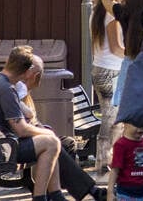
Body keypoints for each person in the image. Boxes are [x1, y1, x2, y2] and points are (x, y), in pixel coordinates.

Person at [0, 45, 78, 201]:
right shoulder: (5, 89)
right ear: (26, 72)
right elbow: (21, 129)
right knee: (51, 142)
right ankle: (41, 197)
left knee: (50, 141)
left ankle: (56, 195)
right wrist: (47, 133)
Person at [15, 55, 107, 201]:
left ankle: (63, 191)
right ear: (34, 75)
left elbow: (31, 121)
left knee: (67, 143)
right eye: (39, 76)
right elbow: (24, 123)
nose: (39, 81)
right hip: (20, 142)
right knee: (56, 145)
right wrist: (44, 131)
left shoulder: (20, 89)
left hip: (29, 137)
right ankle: (88, 190)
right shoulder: (16, 89)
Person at [91, 0, 127, 179]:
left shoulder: (95, 12)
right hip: (112, 69)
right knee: (112, 120)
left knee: (108, 117)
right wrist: (134, 52)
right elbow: (116, 48)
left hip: (99, 68)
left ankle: (102, 163)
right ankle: (105, 165)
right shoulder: (111, 16)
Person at [107, 124, 143, 201]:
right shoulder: (121, 144)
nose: (141, 127)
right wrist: (110, 192)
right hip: (126, 194)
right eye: (136, 123)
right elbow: (115, 170)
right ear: (126, 124)